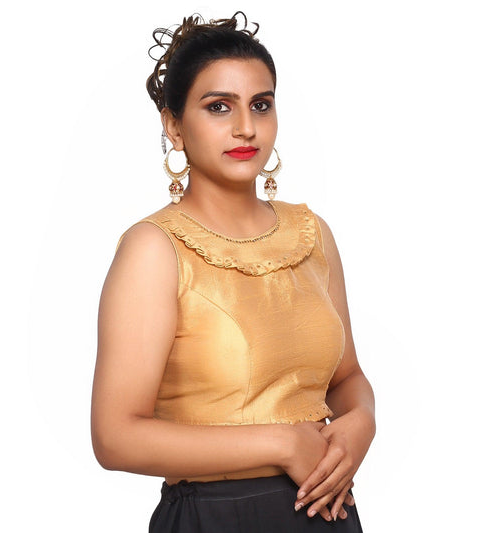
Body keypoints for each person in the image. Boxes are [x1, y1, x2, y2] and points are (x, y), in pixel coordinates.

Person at [90, 11, 376, 533]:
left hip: (329, 511)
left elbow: (347, 377)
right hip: (216, 515)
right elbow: (115, 437)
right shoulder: (155, 249)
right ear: (174, 126)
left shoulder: (312, 233)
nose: (246, 127)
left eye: (260, 105)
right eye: (218, 106)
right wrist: (280, 443)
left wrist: (361, 423)